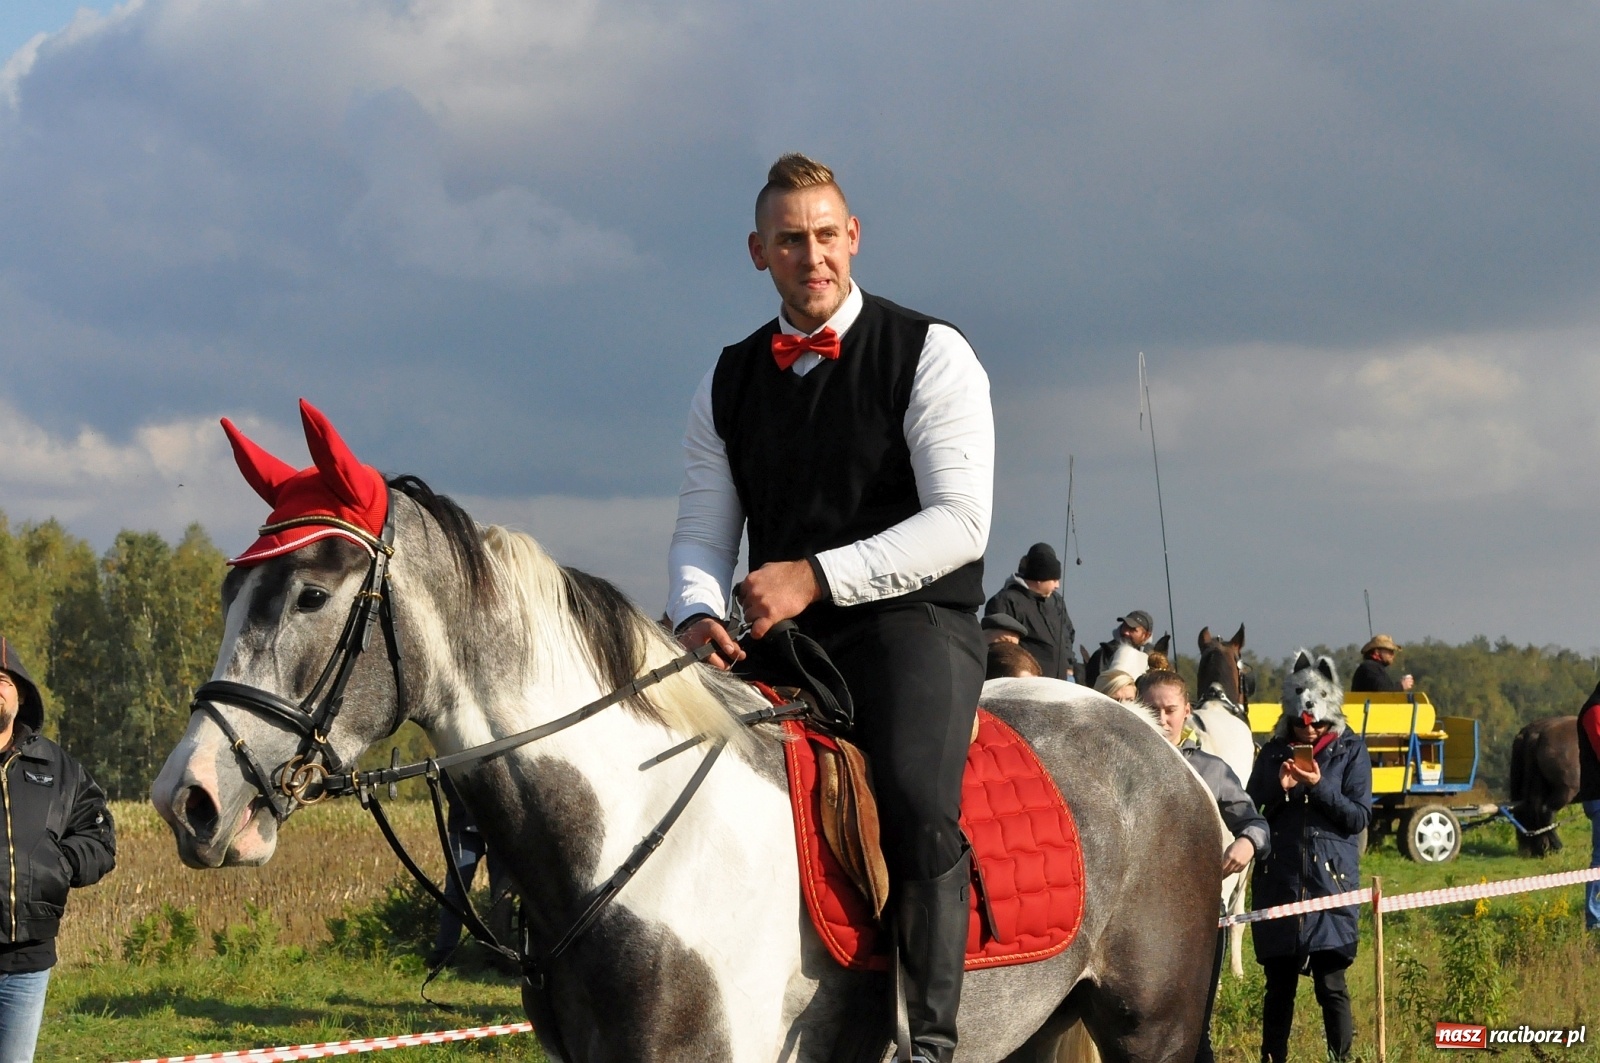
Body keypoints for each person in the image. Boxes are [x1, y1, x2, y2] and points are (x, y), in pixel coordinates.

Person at [667, 154, 992, 1062]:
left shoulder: (931, 351)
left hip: (915, 626)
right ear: (757, 251)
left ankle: (927, 1041)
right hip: (781, 636)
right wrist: (695, 611)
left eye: (824, 236)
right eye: (788, 241)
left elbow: (960, 522)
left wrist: (812, 576)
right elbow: (701, 535)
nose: (810, 256)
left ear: (853, 237)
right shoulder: (726, 380)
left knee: (916, 800)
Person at [1245, 655, 1372, 1063]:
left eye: (1316, 724)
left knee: (1330, 984)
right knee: (1279, 986)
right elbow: (1248, 806)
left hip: (1330, 882)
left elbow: (1358, 817)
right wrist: (1278, 788)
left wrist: (1318, 786)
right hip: (1280, 881)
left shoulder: (1351, 750)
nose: (1309, 729)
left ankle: (1340, 1058)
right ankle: (1272, 1059)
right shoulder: (1272, 752)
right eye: (1302, 725)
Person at [1137, 670, 1268, 1063]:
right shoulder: (1121, 765)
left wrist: (1247, 842)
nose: (1162, 719)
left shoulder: (1211, 770)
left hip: (1199, 922)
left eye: (1170, 710)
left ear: (1187, 712)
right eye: (1152, 709)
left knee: (1194, 1036)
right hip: (1136, 923)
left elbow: (1255, 822)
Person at [0, 635, 116, 1062]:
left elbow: (98, 836)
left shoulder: (58, 767)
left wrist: (59, 865)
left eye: (3, 680)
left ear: (22, 695)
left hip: (27, 963)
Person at [427, 775, 512, 969]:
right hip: (464, 826)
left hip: (499, 827)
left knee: (501, 896)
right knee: (455, 892)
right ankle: (444, 954)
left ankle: (500, 955)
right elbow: (447, 776)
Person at [983, 544, 1075, 681]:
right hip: (1027, 683)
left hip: (1061, 681)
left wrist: (1069, 665)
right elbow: (1000, 648)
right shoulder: (1006, 601)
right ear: (1039, 579)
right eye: (1054, 580)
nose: (1057, 585)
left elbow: (1068, 634)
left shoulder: (1057, 601)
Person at [1081, 609, 1154, 688]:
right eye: (1125, 626)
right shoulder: (1104, 654)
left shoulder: (1153, 658)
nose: (1126, 632)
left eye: (1132, 629)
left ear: (1147, 635)